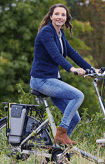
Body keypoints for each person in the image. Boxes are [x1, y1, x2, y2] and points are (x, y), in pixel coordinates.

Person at [29, 4, 94, 146]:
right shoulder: (46, 32)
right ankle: (61, 133)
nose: (60, 17)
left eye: (63, 15)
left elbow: (72, 53)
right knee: (78, 95)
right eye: (57, 14)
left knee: (75, 118)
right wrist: (71, 69)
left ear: (66, 18)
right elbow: (55, 55)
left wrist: (92, 69)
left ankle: (56, 151)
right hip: (41, 79)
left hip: (51, 80)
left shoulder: (60, 34)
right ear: (51, 16)